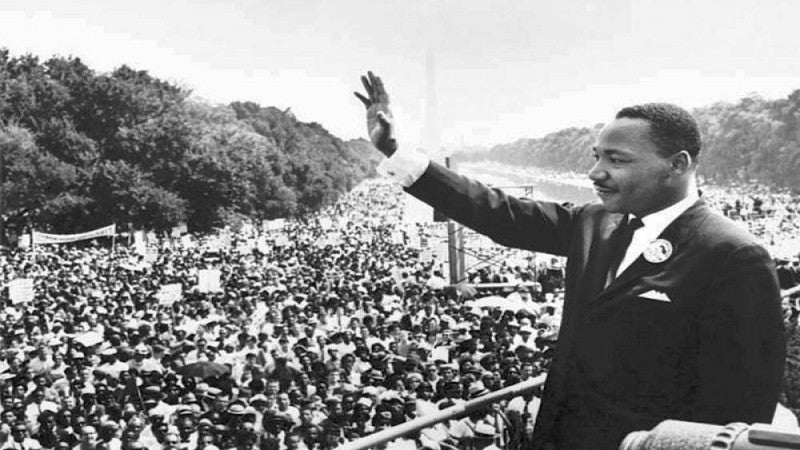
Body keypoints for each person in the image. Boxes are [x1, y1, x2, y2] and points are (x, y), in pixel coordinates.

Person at [354, 71, 786, 449]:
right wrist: (396, 151)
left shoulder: (733, 255)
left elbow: (739, 407)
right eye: (596, 156)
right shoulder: (595, 221)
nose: (596, 172)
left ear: (678, 165)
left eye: (616, 160)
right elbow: (497, 212)